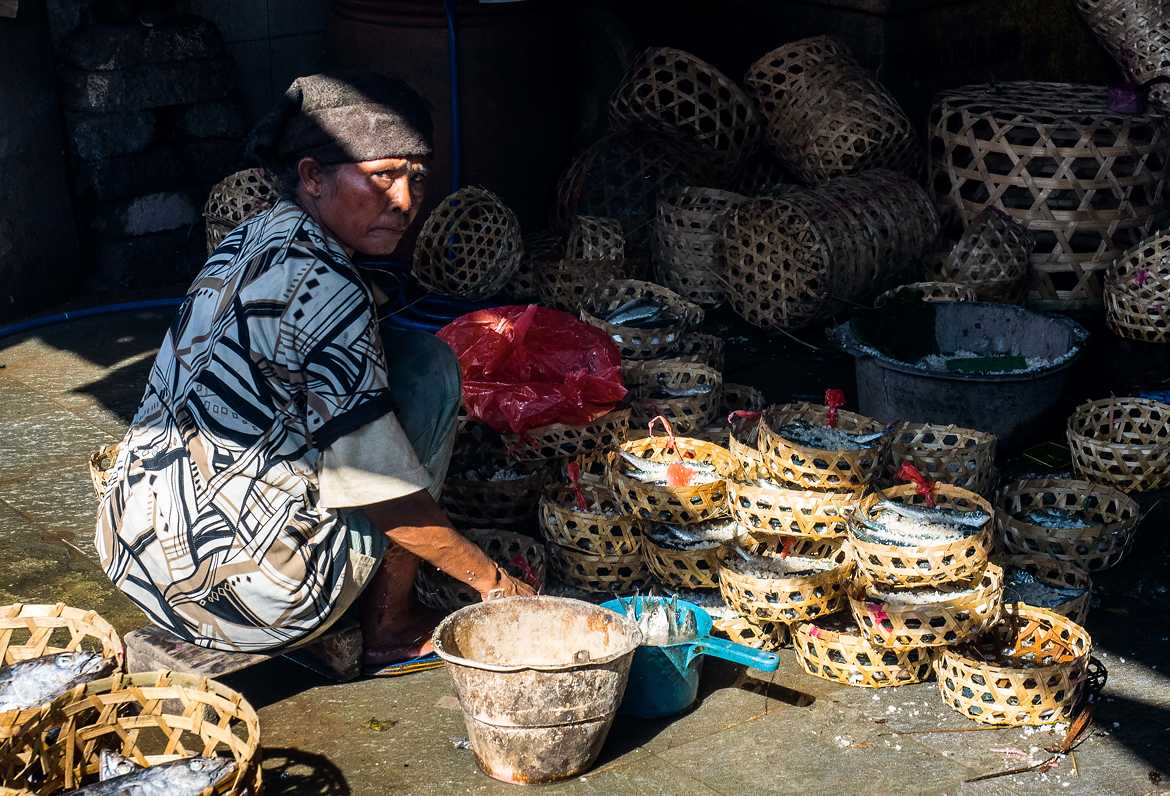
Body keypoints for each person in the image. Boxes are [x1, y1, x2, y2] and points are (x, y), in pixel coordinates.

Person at [95, 71, 534, 667]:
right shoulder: (329, 288)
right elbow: (382, 495)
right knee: (427, 369)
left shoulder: (251, 237)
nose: (404, 202)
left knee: (381, 369)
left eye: (416, 179)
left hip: (136, 558)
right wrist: (496, 586)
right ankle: (390, 623)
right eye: (382, 177)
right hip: (261, 601)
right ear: (311, 177)